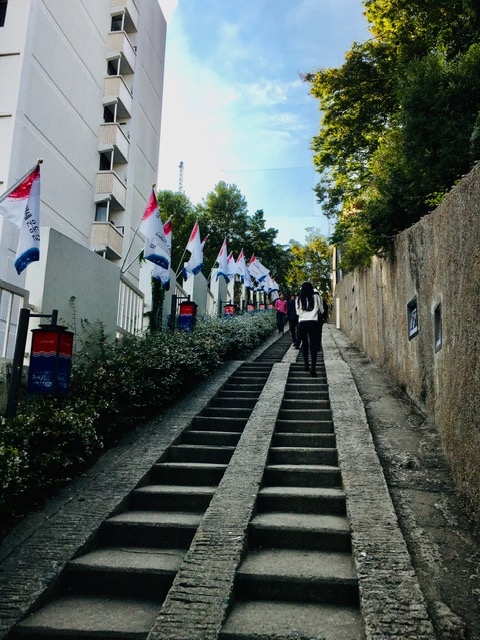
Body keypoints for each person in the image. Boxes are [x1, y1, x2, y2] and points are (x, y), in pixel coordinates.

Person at [296, 282, 324, 377]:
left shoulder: (298, 299)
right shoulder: (316, 297)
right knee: (313, 346)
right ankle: (313, 368)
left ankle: (306, 365)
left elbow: (298, 312)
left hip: (302, 323)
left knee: (304, 344)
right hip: (313, 323)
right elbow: (322, 310)